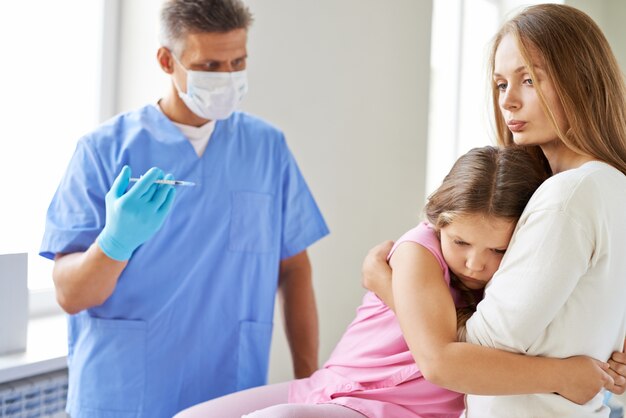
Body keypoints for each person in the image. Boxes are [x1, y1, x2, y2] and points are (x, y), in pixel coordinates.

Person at [39, 0, 329, 417]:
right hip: (126, 389)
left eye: (238, 62)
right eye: (210, 66)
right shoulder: (103, 150)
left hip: (229, 385)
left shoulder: (266, 148)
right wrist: (114, 243)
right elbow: (70, 295)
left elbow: (294, 268)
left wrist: (309, 383)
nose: (227, 78)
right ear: (166, 60)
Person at [174, 145, 615, 418]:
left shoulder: (525, 273)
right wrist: (562, 375)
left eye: (497, 250)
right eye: (460, 241)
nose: (476, 263)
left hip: (391, 411)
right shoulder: (417, 250)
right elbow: (439, 353)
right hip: (331, 386)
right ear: (436, 220)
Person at [362, 4, 626, 417]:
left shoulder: (569, 197)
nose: (509, 101)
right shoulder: (612, 187)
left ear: (583, 80)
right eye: (501, 84)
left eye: (529, 80)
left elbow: (475, 350)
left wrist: (394, 288)